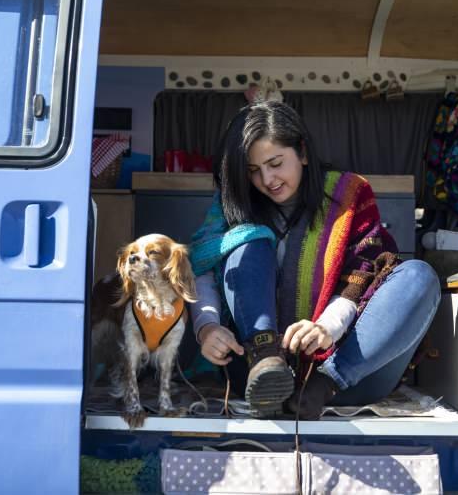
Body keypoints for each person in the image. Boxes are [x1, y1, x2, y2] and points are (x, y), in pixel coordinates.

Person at [188, 101, 440, 419]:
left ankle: (321, 385)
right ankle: (266, 354)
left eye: (275, 163)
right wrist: (207, 328)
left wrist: (326, 328)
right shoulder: (234, 202)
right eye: (253, 171)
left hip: (347, 377)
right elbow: (202, 269)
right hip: (255, 376)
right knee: (248, 243)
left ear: (303, 153)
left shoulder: (349, 195)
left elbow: (362, 275)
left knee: (418, 275)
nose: (268, 179)